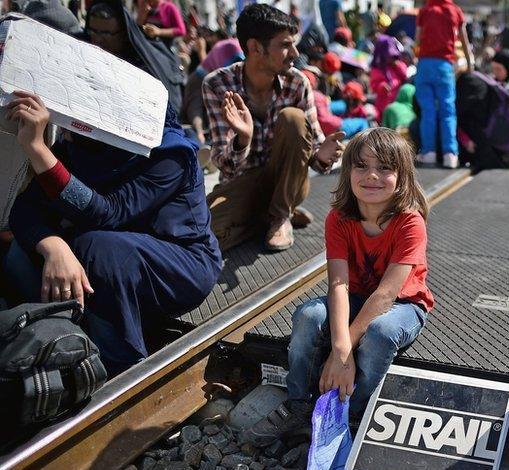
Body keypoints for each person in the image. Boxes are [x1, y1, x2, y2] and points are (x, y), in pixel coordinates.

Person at [4, 89, 221, 374]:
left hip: (180, 264)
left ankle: (120, 364)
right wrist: (54, 247)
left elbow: (108, 212)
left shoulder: (170, 154)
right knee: (22, 253)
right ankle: (47, 345)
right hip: (108, 257)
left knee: (100, 250)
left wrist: (38, 149)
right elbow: (24, 210)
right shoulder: (84, 148)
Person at [245, 128, 432, 445]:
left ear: (402, 176)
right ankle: (300, 403)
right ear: (348, 172)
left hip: (404, 304)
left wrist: (342, 352)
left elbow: (386, 295)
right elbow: (339, 284)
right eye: (361, 166)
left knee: (380, 333)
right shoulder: (339, 218)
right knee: (308, 316)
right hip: (357, 297)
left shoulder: (410, 222)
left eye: (385, 168)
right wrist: (342, 348)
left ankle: (355, 415)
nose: (371, 175)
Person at [202, 4, 344, 252]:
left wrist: (321, 156)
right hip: (243, 184)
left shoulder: (297, 82)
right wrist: (243, 140)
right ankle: (267, 217)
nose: (295, 53)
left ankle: (280, 216)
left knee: (293, 118)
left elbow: (315, 150)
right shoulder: (217, 84)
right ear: (255, 47)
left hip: (289, 183)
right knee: (206, 234)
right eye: (285, 45)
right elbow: (224, 165)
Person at [85, 0, 184, 114]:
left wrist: (159, 32)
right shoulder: (143, 5)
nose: (97, 39)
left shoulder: (143, 70)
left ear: (123, 35)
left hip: (160, 50)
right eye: (93, 31)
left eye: (106, 33)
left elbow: (181, 30)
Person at [414, 0, 472, 169]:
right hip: (445, 65)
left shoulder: (425, 10)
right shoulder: (455, 11)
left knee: (428, 110)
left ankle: (429, 152)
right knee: (448, 110)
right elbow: (464, 41)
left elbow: (418, 39)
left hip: (425, 64)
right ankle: (450, 154)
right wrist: (469, 66)